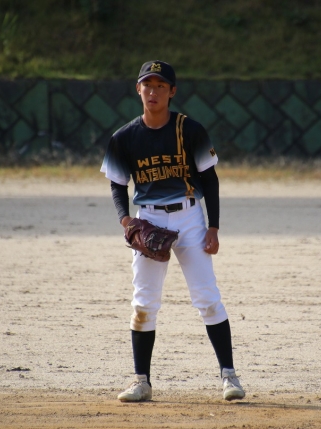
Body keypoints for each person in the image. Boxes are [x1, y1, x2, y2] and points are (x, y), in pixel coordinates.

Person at [100, 60, 246, 402]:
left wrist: (213, 227)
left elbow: (210, 179)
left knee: (207, 297)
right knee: (144, 303)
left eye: (160, 86)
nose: (153, 92)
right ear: (138, 89)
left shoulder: (190, 130)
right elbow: (117, 184)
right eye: (147, 85)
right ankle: (141, 382)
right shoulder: (124, 137)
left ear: (172, 92)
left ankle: (229, 376)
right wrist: (126, 221)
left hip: (190, 217)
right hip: (149, 220)